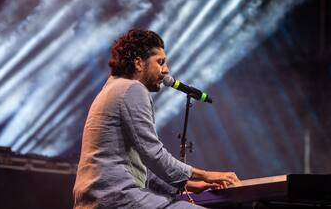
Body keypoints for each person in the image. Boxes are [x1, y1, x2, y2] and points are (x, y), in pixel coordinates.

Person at [73, 29, 239, 209]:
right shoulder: (132, 89)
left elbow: (137, 166)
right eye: (160, 62)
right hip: (119, 199)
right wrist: (207, 175)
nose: (166, 70)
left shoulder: (111, 89)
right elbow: (154, 154)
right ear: (138, 63)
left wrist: (185, 185)